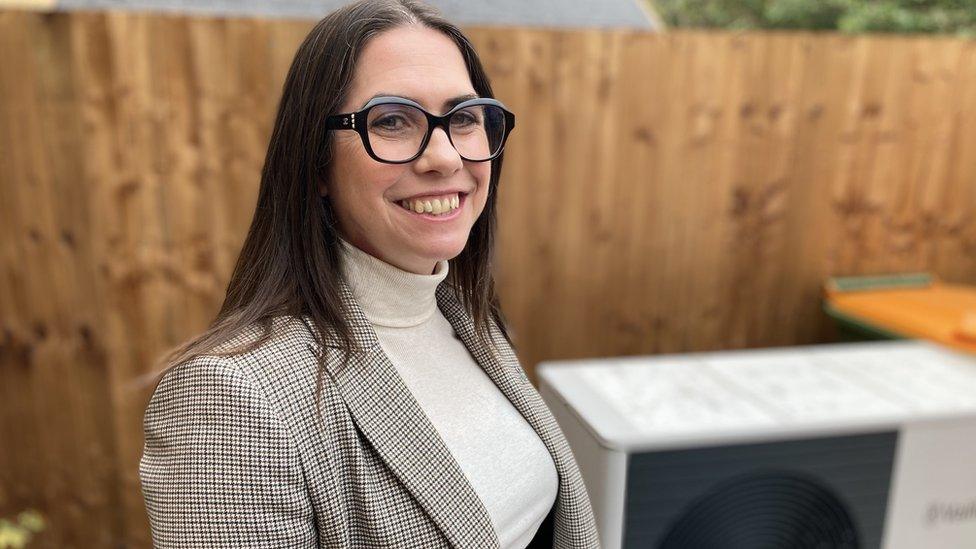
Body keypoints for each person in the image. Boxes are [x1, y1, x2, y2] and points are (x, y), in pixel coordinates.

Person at [137, 0, 601, 547]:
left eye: (463, 118)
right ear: (315, 165)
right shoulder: (232, 399)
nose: (445, 158)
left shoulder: (468, 316)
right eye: (392, 121)